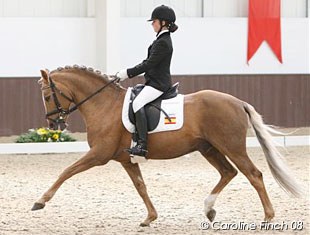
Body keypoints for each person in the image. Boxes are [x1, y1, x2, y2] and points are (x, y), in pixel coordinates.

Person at [117, 5, 178, 158]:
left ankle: (142, 145)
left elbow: (149, 64)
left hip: (159, 84)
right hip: (153, 82)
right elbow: (148, 62)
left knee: (137, 103)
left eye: (154, 21)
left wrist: (127, 73)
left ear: (163, 22)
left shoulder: (163, 42)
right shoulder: (160, 39)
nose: (152, 24)